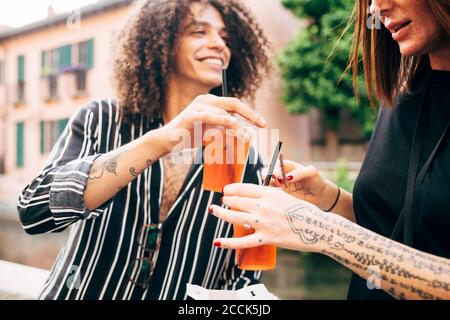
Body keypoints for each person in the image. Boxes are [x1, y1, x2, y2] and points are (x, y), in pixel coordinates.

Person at [18, 0, 270, 300]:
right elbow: (34, 211)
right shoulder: (102, 120)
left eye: (225, 37)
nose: (218, 44)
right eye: (199, 31)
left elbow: (240, 279)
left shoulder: (242, 159)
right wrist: (163, 140)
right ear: (161, 43)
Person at [209, 0, 450, 300]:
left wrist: (323, 231)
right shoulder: (404, 96)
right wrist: (327, 199)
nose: (377, 8)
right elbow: (394, 226)